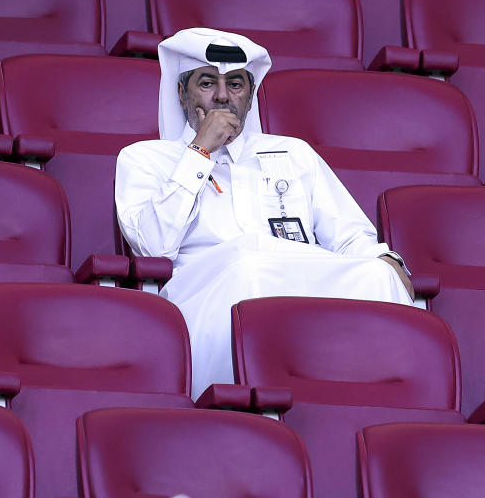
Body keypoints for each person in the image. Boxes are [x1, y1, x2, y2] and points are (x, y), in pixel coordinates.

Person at [115, 28, 414, 398]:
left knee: (378, 276)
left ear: (251, 95)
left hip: (298, 281)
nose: (223, 96)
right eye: (208, 83)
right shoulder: (145, 159)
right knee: (250, 261)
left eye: (236, 85)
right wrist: (199, 152)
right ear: (181, 92)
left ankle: (380, 400)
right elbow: (154, 248)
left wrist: (385, 260)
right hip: (201, 294)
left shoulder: (293, 153)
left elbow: (352, 236)